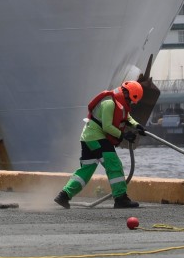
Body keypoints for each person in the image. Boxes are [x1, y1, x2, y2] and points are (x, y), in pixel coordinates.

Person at [53, 79, 146, 210]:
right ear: (125, 93)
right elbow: (107, 127)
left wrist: (137, 125)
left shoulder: (120, 103)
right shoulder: (109, 103)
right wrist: (123, 135)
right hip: (97, 138)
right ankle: (120, 198)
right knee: (114, 165)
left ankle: (64, 195)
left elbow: (127, 116)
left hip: (88, 138)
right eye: (130, 99)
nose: (130, 102)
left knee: (86, 170)